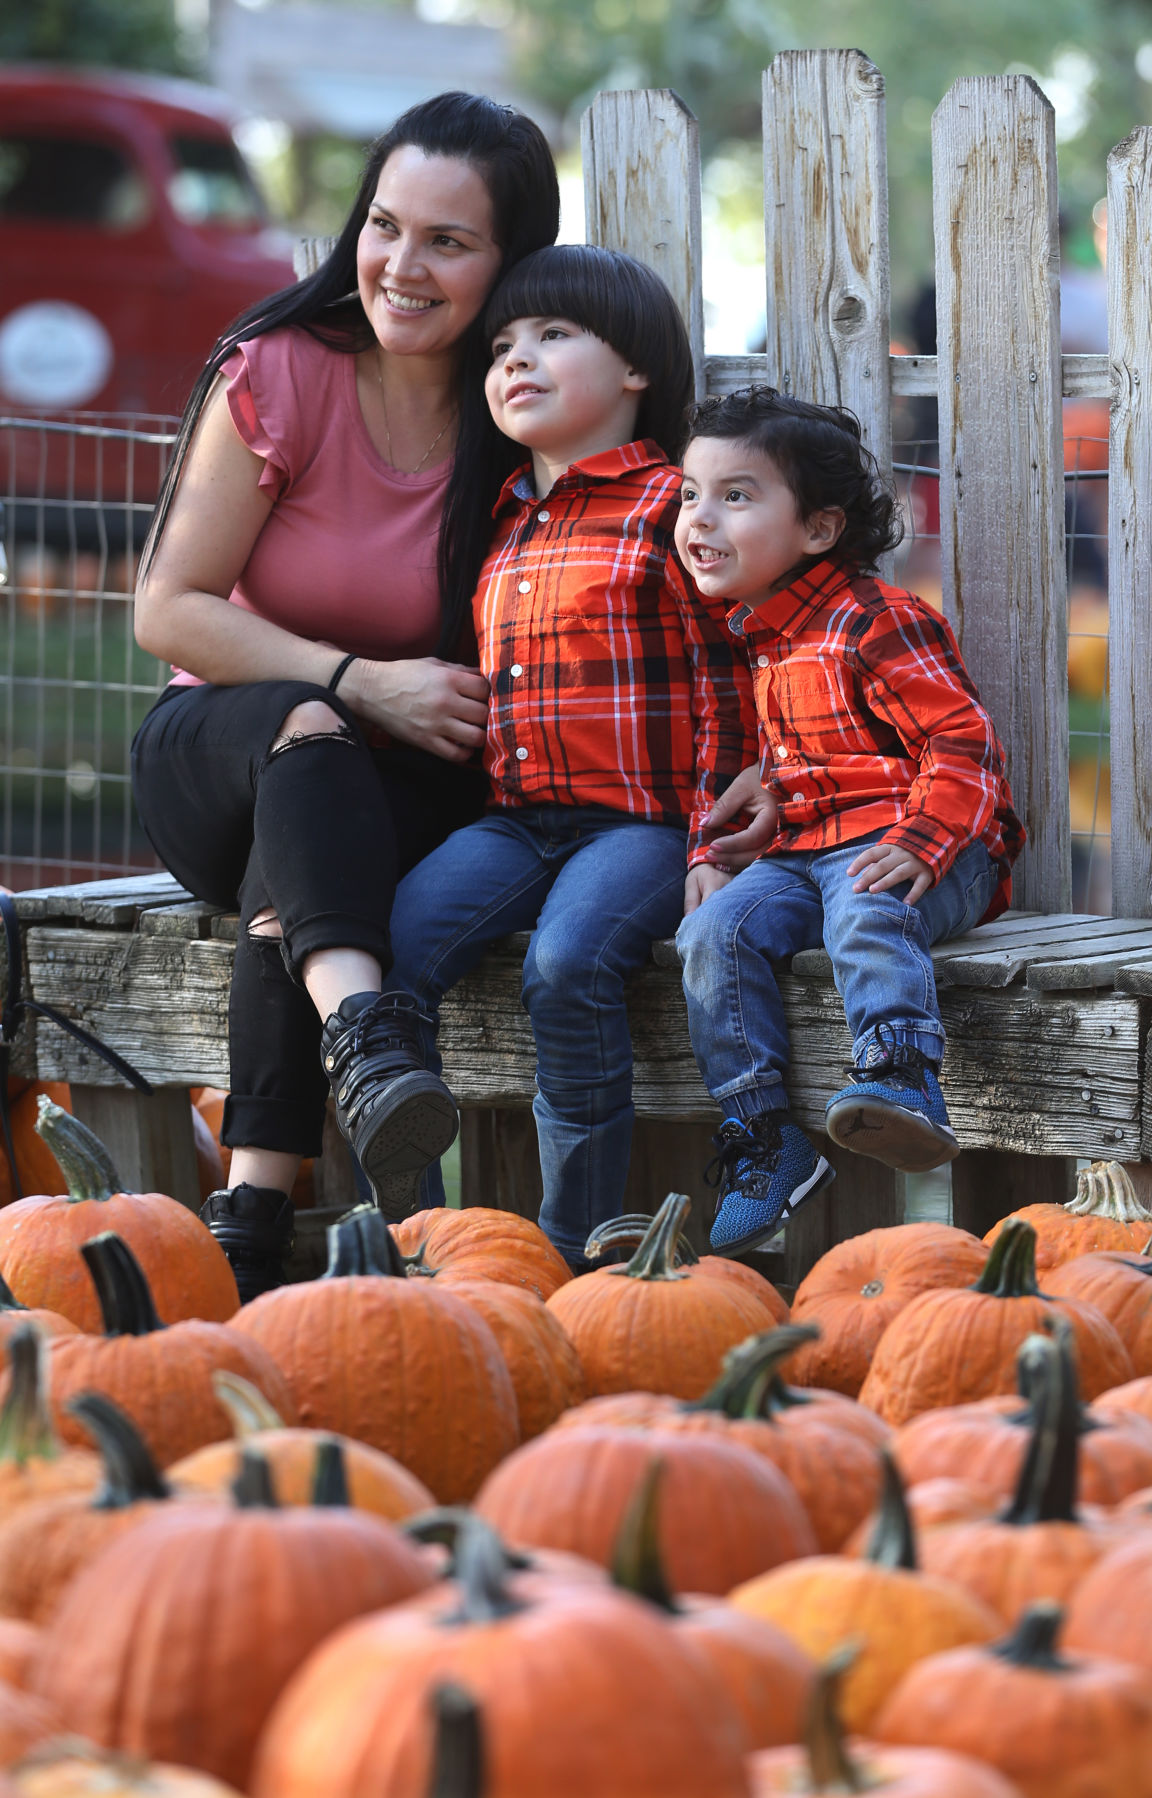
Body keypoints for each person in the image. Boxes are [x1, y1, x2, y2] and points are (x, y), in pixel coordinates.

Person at [130, 93, 560, 1298]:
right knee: (306, 742)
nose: (402, 266)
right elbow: (168, 609)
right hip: (217, 752)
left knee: (313, 867)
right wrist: (354, 678)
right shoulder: (279, 370)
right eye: (385, 225)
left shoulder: (519, 411)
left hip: (386, 796)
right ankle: (370, 1044)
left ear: (509, 265)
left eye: (448, 242)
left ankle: (250, 1223)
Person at [384, 244, 758, 1269]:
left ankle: (571, 1247)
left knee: (566, 962)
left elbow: (733, 675)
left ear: (634, 368)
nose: (517, 359)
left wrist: (715, 840)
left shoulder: (671, 507)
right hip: (517, 822)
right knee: (395, 950)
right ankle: (414, 1230)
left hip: (641, 823)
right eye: (501, 344)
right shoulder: (504, 523)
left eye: (553, 335)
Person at [673, 387, 1025, 1257]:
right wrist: (730, 839)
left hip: (931, 848)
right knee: (713, 934)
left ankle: (902, 1078)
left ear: (820, 530)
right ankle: (766, 1139)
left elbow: (961, 741)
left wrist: (923, 841)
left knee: (865, 909)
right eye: (689, 494)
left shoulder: (875, 620)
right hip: (805, 853)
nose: (699, 519)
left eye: (736, 495)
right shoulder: (755, 639)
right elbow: (771, 772)